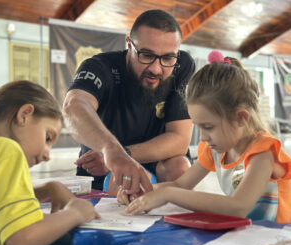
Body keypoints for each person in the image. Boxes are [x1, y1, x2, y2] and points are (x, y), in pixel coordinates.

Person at [118, 54, 291, 223]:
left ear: (240, 118)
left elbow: (238, 207)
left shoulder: (263, 152)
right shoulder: (216, 149)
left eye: (208, 127)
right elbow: (180, 185)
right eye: (199, 127)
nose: (202, 137)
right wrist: (146, 191)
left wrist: (167, 194)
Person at [0, 80, 99, 245]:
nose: (47, 155)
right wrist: (75, 213)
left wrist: (45, 190)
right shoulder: (6, 149)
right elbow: (23, 238)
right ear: (24, 114)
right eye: (47, 137)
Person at [63, 9, 195, 194]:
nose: (156, 69)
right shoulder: (100, 67)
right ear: (129, 44)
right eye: (146, 55)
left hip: (154, 160)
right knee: (116, 184)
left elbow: (180, 139)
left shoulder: (182, 65)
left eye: (167, 57)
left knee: (180, 166)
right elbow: (73, 106)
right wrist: (110, 151)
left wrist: (123, 153)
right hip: (102, 164)